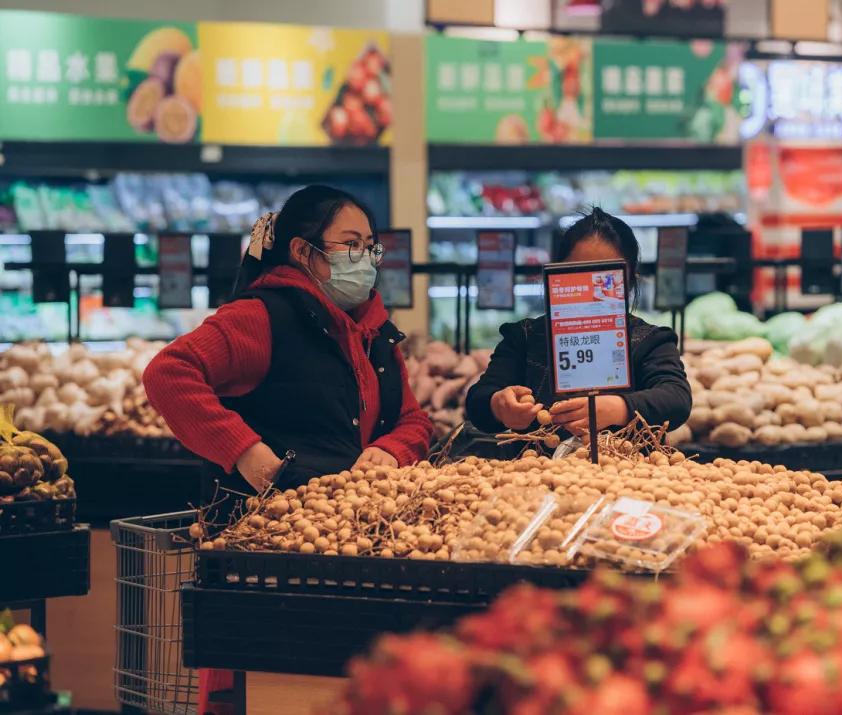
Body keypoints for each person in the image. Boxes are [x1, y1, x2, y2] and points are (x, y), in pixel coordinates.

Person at [143, 185, 434, 714]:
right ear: (304, 252)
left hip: (351, 558)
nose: (365, 259)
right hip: (265, 565)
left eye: (371, 246)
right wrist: (244, 450)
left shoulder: (374, 331)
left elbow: (414, 420)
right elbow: (169, 373)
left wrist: (391, 450)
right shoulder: (260, 316)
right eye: (350, 244)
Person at [465, 207, 692, 438]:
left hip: (627, 471)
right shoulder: (523, 337)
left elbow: (676, 399)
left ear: (630, 280)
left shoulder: (651, 341)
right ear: (556, 273)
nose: (591, 286)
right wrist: (499, 405)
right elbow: (478, 401)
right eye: (578, 273)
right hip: (536, 471)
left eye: (604, 277)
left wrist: (618, 408)